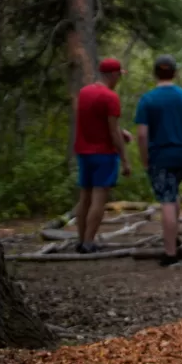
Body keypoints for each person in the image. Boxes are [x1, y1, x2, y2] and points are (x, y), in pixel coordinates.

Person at [135, 55, 182, 268]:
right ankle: (175, 236)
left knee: (167, 201)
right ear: (175, 72)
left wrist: (144, 159)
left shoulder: (148, 100)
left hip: (161, 156)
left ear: (155, 73)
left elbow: (142, 134)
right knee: (173, 193)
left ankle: (170, 254)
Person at [72, 57, 131, 253]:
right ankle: (89, 242)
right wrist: (125, 160)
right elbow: (113, 132)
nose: (119, 79)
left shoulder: (84, 93)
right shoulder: (110, 97)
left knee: (84, 198)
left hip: (83, 152)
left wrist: (122, 133)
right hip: (104, 154)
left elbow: (97, 122)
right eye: (119, 75)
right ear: (113, 75)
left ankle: (81, 240)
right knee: (98, 199)